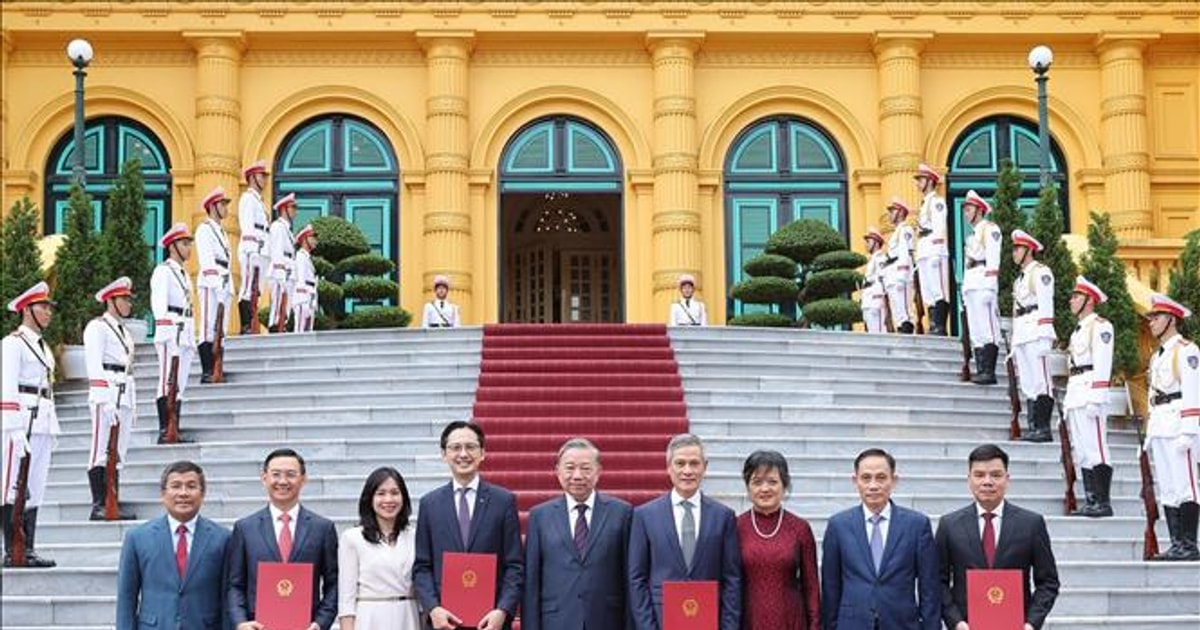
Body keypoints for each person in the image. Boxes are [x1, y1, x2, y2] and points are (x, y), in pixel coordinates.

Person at [413, 421, 523, 630]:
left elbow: (514, 566)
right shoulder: (430, 504)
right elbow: (422, 567)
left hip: (490, 622)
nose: (463, 454)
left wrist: (502, 611)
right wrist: (433, 609)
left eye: (470, 447)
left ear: (482, 452)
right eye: (455, 448)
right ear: (444, 454)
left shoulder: (503, 501)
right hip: (444, 622)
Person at [936, 444, 1059, 630]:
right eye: (979, 475)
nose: (987, 482)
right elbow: (938, 581)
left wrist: (1031, 623)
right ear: (969, 480)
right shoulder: (949, 525)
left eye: (995, 475)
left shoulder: (1031, 524)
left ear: (1007, 479)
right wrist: (956, 621)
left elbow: (1048, 582)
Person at [628, 433, 742, 630]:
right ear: (668, 468)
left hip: (710, 622)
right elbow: (637, 577)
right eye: (680, 463)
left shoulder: (723, 516)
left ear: (705, 467)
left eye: (694, 463)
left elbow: (732, 578)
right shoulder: (644, 516)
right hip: (660, 621)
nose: (687, 471)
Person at [821, 448, 938, 630]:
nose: (873, 485)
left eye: (881, 478)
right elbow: (830, 586)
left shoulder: (917, 525)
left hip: (902, 623)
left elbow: (929, 587)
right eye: (866, 478)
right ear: (855, 481)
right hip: (852, 623)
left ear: (894, 480)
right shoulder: (839, 525)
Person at [523, 438, 634, 630]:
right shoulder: (540, 516)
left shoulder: (622, 513)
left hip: (607, 621)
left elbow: (630, 577)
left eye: (585, 468)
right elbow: (531, 581)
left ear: (599, 471)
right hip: (556, 621)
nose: (577, 475)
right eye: (570, 467)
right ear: (557, 470)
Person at [227, 448, 339, 630]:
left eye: (291, 475)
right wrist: (241, 622)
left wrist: (320, 623)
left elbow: (333, 583)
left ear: (304, 479)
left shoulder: (322, 528)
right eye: (276, 474)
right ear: (264, 478)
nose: (283, 481)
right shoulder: (245, 528)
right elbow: (235, 585)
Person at [116, 460, 230, 629]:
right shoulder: (137, 537)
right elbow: (126, 597)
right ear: (163, 493)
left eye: (191, 486)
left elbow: (227, 595)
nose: (183, 493)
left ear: (203, 493)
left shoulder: (223, 538)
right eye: (176, 486)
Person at [1, 281, 59, 567]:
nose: (48, 312)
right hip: (21, 421)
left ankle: (29, 548)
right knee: (12, 484)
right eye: (43, 307)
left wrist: (53, 425)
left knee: (35, 485)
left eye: (49, 307)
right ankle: (12, 549)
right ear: (26, 310)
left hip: (42, 420)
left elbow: (47, 387)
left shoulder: (43, 347)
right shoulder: (12, 343)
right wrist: (12, 428)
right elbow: (7, 387)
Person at [1143, 294, 1200, 561]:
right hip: (1161, 426)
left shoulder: (1187, 350)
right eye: (1151, 317)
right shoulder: (1157, 356)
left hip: (1179, 425)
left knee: (1185, 486)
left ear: (1171, 320)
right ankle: (1176, 542)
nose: (1151, 322)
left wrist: (1190, 430)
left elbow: (1192, 391)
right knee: (1167, 487)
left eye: (1156, 317)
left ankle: (1189, 544)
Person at [737, 450, 820, 630]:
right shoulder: (736, 527)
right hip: (749, 621)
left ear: (784, 485)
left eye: (772, 482)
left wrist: (814, 625)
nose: (765, 489)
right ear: (747, 486)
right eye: (757, 482)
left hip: (791, 621)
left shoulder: (800, 528)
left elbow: (811, 586)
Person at [338, 466, 421, 630]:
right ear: (369, 498)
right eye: (381, 493)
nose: (388, 500)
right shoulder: (353, 538)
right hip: (370, 616)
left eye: (395, 493)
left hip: (408, 615)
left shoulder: (415, 536)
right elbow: (346, 596)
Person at [83, 276, 138, 521]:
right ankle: (98, 503)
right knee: (100, 448)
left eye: (128, 299)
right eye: (124, 299)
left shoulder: (124, 331)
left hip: (124, 390)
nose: (128, 304)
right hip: (106, 390)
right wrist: (103, 398)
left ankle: (112, 499)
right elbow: (93, 364)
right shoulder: (97, 327)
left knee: (119, 450)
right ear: (110, 301)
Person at [1063, 276, 1115, 517]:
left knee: (1096, 448)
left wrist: (1097, 396)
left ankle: (1103, 501)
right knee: (1082, 450)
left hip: (1090, 392)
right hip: (1076, 392)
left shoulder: (1100, 326)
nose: (1071, 300)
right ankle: (1091, 500)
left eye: (1076, 296)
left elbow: (1103, 364)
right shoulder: (1079, 330)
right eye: (1072, 296)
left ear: (1090, 300)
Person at [151, 223, 197, 444]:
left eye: (189, 244)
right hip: (171, 330)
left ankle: (174, 427)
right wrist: (167, 331)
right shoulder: (163, 271)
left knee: (180, 382)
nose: (189, 248)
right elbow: (159, 304)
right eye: (184, 244)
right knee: (166, 379)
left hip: (185, 329)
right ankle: (163, 428)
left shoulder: (184, 274)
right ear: (172, 246)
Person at [1011, 229, 1056, 442]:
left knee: (1041, 380)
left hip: (1036, 329)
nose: (1014, 252)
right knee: (1028, 381)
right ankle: (1033, 426)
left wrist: (1046, 334)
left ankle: (1043, 428)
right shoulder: (1019, 279)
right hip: (1022, 331)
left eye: (1018, 248)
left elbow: (1046, 303)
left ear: (1028, 250)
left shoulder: (1041, 272)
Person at [959, 190, 1002, 385]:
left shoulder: (990, 230)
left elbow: (993, 260)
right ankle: (981, 369)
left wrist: (990, 288)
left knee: (987, 328)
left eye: (969, 209)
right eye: (966, 209)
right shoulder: (973, 235)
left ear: (979, 210)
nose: (966, 213)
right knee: (976, 330)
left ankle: (989, 371)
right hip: (972, 283)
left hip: (984, 282)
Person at [195, 186, 233, 382]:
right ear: (212, 206)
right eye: (223, 204)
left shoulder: (222, 232)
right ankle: (207, 370)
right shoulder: (204, 229)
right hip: (212, 283)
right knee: (209, 325)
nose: (226, 208)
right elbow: (207, 259)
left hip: (224, 282)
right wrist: (215, 284)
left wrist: (228, 287)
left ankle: (218, 367)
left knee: (221, 327)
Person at [914, 163, 950, 335]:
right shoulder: (924, 204)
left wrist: (937, 250)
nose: (917, 183)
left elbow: (939, 227)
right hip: (924, 249)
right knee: (928, 290)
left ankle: (941, 326)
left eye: (920, 179)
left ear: (929, 181)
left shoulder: (937, 202)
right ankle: (933, 323)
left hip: (934, 249)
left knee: (938, 289)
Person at [238, 160, 270, 334]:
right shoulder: (248, 198)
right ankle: (246, 325)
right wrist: (252, 249)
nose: (264, 179)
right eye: (261, 176)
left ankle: (252, 323)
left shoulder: (259, 201)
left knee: (256, 289)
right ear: (251, 178)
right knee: (248, 287)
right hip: (253, 249)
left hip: (262, 249)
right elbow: (247, 224)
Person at [882, 197, 916, 334]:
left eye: (892, 211)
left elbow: (905, 253)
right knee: (897, 312)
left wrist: (903, 274)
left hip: (901, 274)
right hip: (892, 274)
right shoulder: (896, 232)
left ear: (901, 213)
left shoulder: (905, 230)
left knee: (905, 312)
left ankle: (908, 336)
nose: (890, 214)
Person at [268, 193, 297, 334]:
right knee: (278, 305)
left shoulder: (287, 229)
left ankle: (282, 326)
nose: (295, 211)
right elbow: (276, 250)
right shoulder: (278, 226)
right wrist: (280, 271)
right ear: (284, 209)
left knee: (286, 306)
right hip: (280, 271)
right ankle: (274, 328)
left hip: (288, 269)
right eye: (292, 207)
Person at [860, 227, 888, 334]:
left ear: (876, 242)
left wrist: (881, 297)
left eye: (868, 241)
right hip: (868, 298)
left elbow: (883, 279)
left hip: (875, 297)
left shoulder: (880, 258)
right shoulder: (871, 260)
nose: (866, 244)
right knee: (871, 331)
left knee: (879, 331)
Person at [292, 224, 319, 333]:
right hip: (303, 298)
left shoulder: (307, 257)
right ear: (304, 239)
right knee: (300, 331)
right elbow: (300, 279)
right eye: (312, 237)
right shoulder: (300, 256)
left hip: (309, 296)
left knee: (308, 330)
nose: (315, 241)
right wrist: (303, 300)